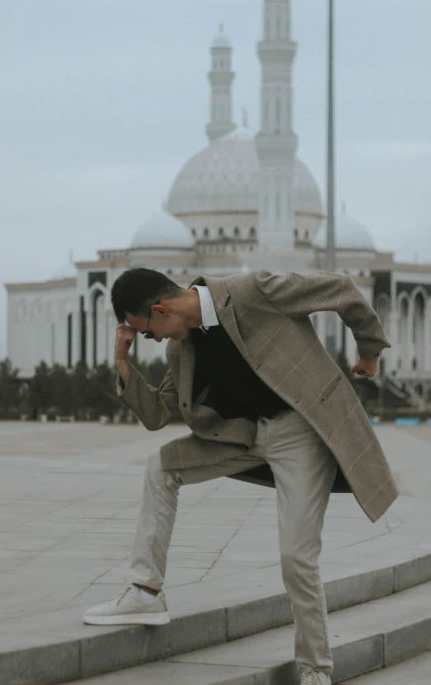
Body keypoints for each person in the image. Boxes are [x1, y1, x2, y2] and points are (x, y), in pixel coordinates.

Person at [83, 268, 398, 685]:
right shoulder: (181, 349)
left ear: (160, 310)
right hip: (240, 438)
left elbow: (340, 288)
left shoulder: (254, 290)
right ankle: (145, 593)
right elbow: (158, 413)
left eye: (147, 333)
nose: (153, 341)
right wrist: (122, 364)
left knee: (297, 559)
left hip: (299, 434)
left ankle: (314, 669)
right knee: (161, 468)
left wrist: (370, 350)